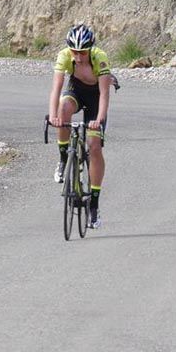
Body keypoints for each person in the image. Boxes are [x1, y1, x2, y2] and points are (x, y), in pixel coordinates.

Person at [48, 24, 112, 229]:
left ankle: (93, 204)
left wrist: (99, 119)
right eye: (75, 51)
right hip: (76, 91)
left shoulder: (99, 57)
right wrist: (53, 116)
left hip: (95, 98)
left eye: (82, 51)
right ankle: (64, 157)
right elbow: (56, 88)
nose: (79, 56)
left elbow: (104, 94)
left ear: (90, 49)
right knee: (63, 108)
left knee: (94, 146)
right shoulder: (65, 56)